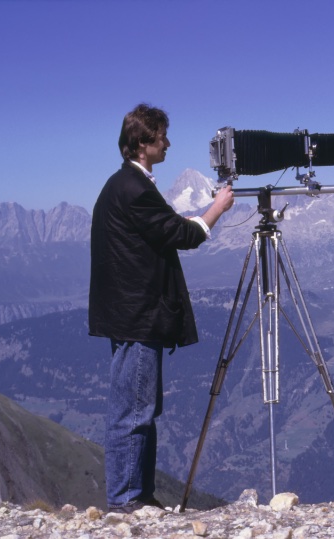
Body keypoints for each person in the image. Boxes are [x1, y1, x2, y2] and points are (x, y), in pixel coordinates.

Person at [88, 103, 234, 513]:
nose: (167, 143)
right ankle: (126, 500)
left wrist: (191, 217)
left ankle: (138, 493)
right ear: (142, 143)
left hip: (130, 317)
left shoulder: (125, 186)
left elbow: (161, 228)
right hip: (138, 319)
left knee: (139, 408)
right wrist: (216, 210)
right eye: (161, 137)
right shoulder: (135, 190)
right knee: (134, 411)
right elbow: (180, 235)